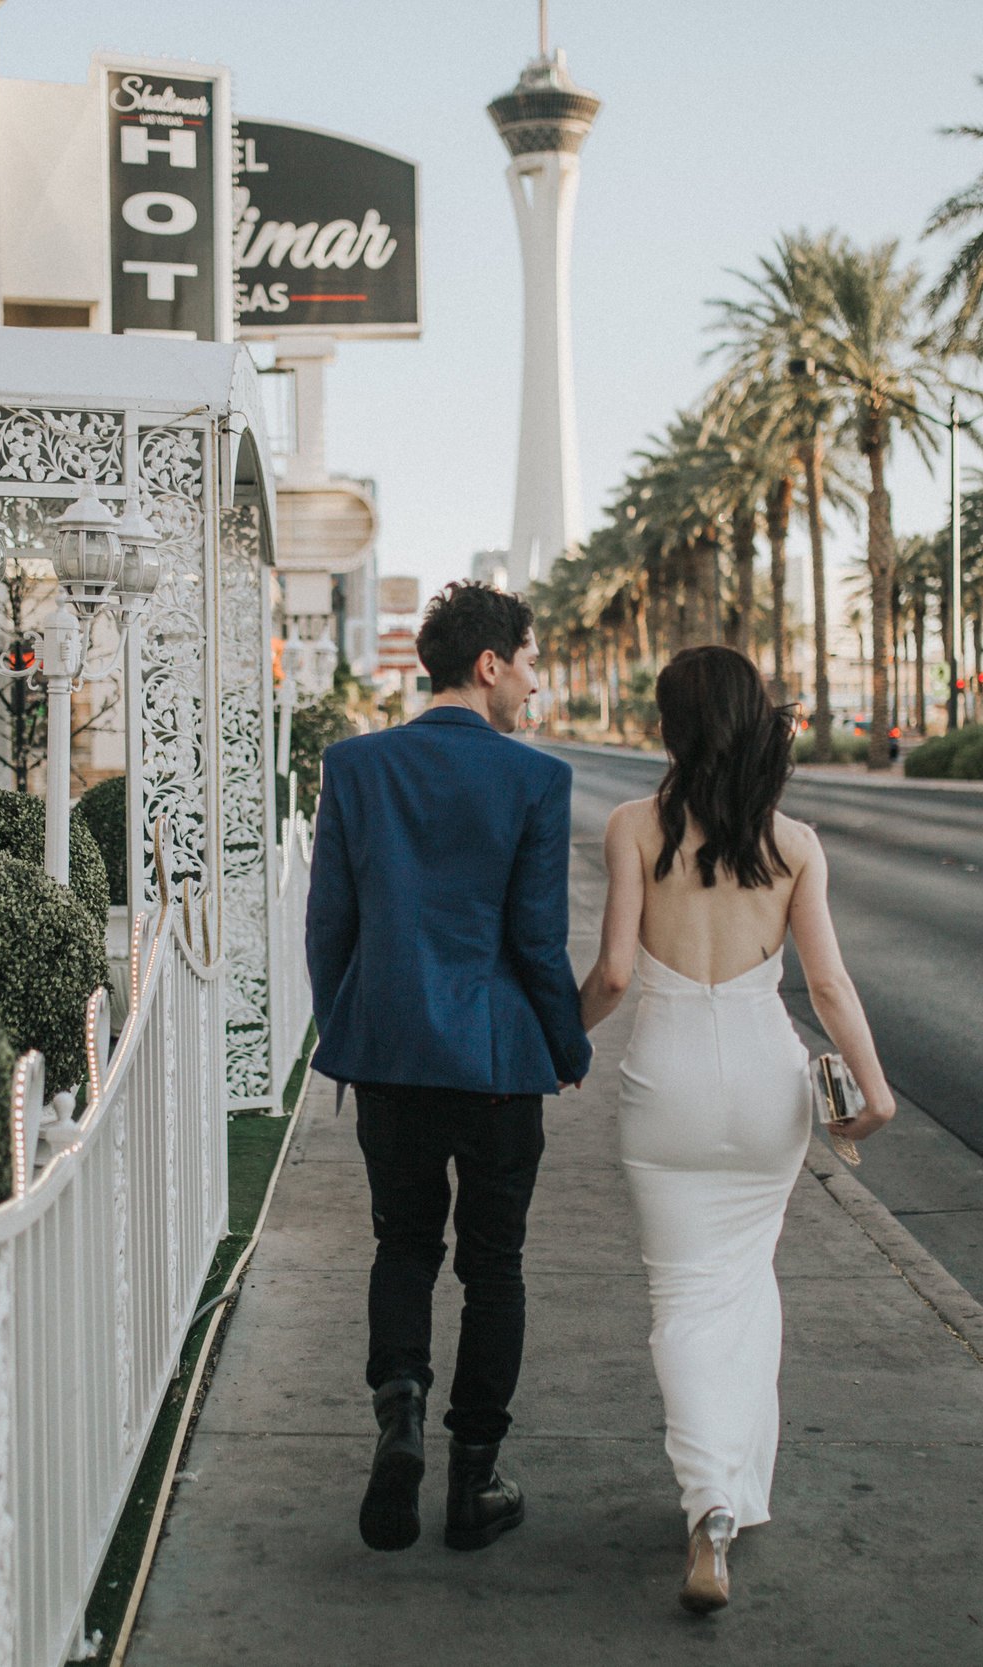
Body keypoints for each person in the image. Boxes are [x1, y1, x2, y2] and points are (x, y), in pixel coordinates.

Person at [576, 644, 898, 1614]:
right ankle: (725, 1500)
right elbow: (829, 986)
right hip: (767, 1084)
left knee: (682, 1296)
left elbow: (615, 976)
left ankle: (710, 1501)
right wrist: (875, 1094)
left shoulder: (632, 827)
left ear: (670, 726)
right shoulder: (794, 842)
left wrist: (550, 1039)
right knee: (746, 1280)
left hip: (665, 1082)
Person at [305, 582, 593, 1555]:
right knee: (493, 1265)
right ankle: (473, 1481)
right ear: (488, 665)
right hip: (498, 1059)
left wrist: (351, 1025)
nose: (535, 679)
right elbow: (537, 943)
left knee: (402, 1242)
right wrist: (569, 1044)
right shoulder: (535, 781)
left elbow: (329, 929)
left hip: (391, 1056)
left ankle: (399, 1413)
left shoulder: (353, 765)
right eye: (530, 659)